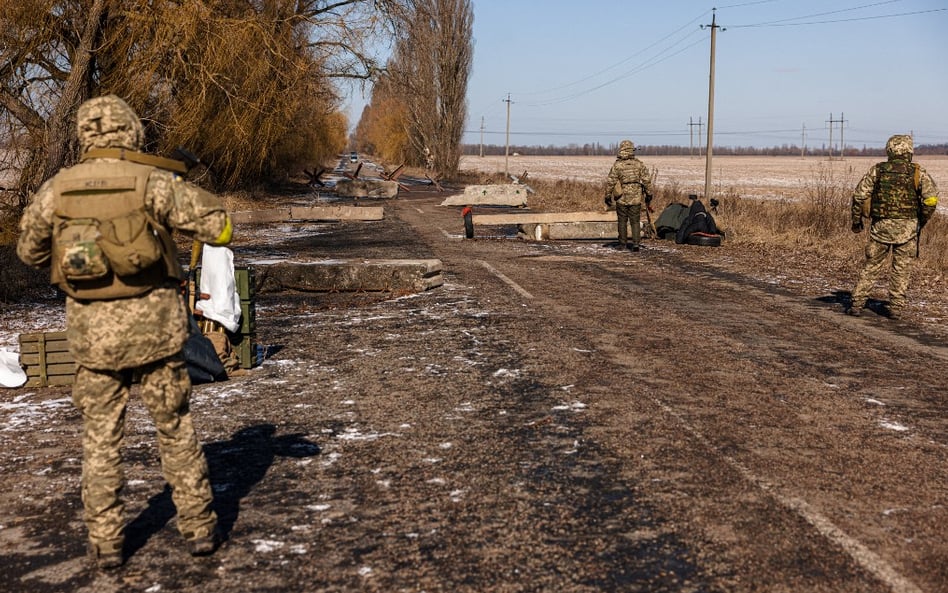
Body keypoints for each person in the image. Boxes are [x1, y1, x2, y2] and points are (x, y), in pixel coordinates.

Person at [16, 95, 233, 569]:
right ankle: (198, 529)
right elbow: (219, 229)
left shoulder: (59, 189)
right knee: (175, 429)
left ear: (85, 136)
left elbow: (28, 253)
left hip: (93, 341)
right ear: (131, 132)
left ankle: (108, 542)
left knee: (100, 439)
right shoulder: (151, 181)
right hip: (156, 333)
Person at [846, 134, 938, 319]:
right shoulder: (918, 172)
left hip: (880, 228)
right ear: (909, 151)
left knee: (871, 266)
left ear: (889, 150)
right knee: (901, 269)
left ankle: (857, 304)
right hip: (908, 230)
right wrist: (921, 220)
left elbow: (859, 196)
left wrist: (857, 221)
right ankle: (895, 309)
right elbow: (931, 200)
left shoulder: (878, 170)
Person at [604, 139, 653, 251]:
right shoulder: (639, 164)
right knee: (635, 221)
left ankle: (622, 243)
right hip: (636, 197)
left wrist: (607, 196)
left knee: (622, 221)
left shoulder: (617, 165)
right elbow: (646, 180)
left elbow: (611, 181)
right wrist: (649, 194)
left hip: (621, 197)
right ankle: (636, 244)